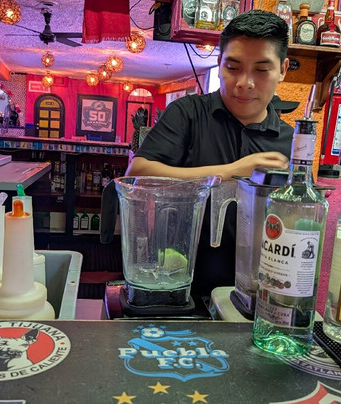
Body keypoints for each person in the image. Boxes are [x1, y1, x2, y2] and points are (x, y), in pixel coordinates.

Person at [125, 10, 294, 297]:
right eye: (233, 67)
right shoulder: (188, 113)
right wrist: (231, 172)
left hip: (258, 294)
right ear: (219, 63)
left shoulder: (289, 142)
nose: (245, 82)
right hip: (178, 286)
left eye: (262, 70)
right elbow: (138, 175)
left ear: (283, 70)